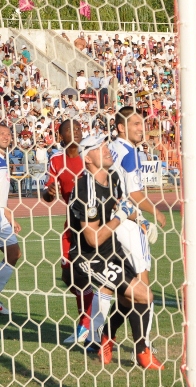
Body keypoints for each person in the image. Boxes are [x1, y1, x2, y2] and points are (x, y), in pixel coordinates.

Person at [67, 134, 162, 369]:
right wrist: (120, 218)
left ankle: (106, 337)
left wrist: (141, 219)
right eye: (100, 147)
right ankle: (142, 352)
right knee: (144, 296)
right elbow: (93, 238)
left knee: (128, 299)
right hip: (89, 258)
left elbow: (122, 206)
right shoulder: (85, 189)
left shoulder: (114, 176)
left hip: (113, 251)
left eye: (106, 145)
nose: (107, 149)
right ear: (87, 158)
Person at [107, 107, 164, 347]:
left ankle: (105, 335)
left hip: (109, 220)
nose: (141, 129)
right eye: (136, 124)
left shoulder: (111, 148)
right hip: (127, 221)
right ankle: (144, 345)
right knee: (142, 285)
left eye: (142, 124)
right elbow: (134, 193)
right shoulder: (129, 152)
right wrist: (155, 212)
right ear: (121, 127)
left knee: (126, 287)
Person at [42, 120, 92, 343]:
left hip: (94, 224)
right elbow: (46, 195)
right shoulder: (56, 160)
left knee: (90, 276)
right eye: (71, 129)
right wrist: (51, 192)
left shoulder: (90, 156)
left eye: (79, 128)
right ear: (61, 136)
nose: (77, 131)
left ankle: (87, 325)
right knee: (69, 276)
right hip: (71, 225)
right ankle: (90, 319)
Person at [0, 123, 21, 316]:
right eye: (2, 134)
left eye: (8, 134)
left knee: (13, 254)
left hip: (1, 215)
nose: (6, 137)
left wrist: (9, 216)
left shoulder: (3, 159)